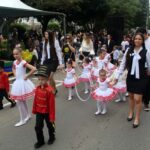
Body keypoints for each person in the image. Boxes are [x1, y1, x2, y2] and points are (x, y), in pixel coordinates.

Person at [115, 33, 150, 128]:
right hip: (130, 78)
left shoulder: (146, 52)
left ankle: (137, 118)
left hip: (141, 78)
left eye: (139, 39)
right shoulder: (128, 50)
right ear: (133, 40)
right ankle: (131, 112)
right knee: (131, 97)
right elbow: (123, 64)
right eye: (136, 39)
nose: (137, 40)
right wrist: (117, 76)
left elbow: (149, 65)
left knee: (137, 99)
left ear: (142, 41)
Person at [10, 47, 36, 127]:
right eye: (14, 54)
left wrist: (27, 75)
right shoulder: (15, 62)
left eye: (17, 54)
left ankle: (22, 119)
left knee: (19, 102)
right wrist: (15, 74)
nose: (15, 55)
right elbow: (13, 68)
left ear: (20, 54)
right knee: (22, 101)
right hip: (17, 83)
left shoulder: (23, 62)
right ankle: (27, 115)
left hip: (22, 83)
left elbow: (34, 68)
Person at [33, 65, 55, 149]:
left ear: (47, 79)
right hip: (39, 111)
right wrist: (34, 109)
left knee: (50, 125)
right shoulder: (37, 89)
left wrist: (52, 117)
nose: (41, 81)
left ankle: (52, 137)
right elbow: (35, 101)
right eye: (39, 79)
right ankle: (40, 141)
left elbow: (52, 106)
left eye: (43, 79)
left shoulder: (49, 90)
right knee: (37, 127)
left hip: (48, 112)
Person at [136, 28, 150, 111]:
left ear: (145, 34)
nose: (139, 38)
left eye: (141, 35)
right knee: (140, 85)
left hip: (148, 68)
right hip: (139, 67)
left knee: (147, 86)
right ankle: (141, 99)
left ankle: (146, 103)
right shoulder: (140, 42)